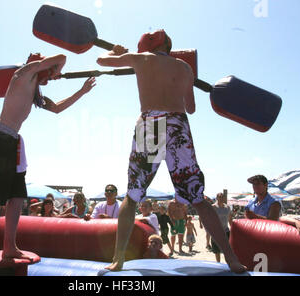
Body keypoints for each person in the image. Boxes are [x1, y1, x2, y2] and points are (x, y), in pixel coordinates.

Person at [97, 29, 246, 273]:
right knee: (197, 198)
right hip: (178, 124)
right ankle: (231, 258)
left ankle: (118, 259)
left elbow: (101, 61)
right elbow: (192, 108)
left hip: (151, 123)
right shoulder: (185, 69)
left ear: (147, 45)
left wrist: (115, 52)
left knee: (133, 195)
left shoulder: (140, 58)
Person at [0, 53, 96, 260]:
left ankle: (9, 246)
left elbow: (58, 108)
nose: (49, 79)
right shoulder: (22, 74)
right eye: (48, 74)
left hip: (12, 142)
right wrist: (55, 70)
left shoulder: (35, 92)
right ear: (39, 67)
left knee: (16, 196)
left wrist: (82, 91)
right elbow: (62, 56)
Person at [211, 193, 232, 262]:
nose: (220, 198)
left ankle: (227, 264)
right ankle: (218, 264)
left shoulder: (227, 208)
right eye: (219, 197)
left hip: (225, 231)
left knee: (227, 250)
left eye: (222, 197)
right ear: (217, 198)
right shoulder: (213, 207)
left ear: (224, 198)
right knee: (217, 251)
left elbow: (230, 219)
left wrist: (233, 229)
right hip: (216, 232)